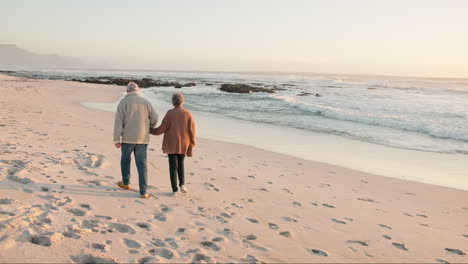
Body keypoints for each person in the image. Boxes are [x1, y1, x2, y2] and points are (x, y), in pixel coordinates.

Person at [113, 82, 158, 198]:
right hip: (142, 139)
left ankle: (126, 183)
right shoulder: (146, 102)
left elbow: (118, 122)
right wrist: (149, 126)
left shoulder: (123, 102)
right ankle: (143, 191)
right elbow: (155, 117)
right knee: (142, 165)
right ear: (138, 90)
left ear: (127, 91)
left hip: (128, 138)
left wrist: (116, 139)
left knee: (125, 161)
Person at [150, 92, 196, 196]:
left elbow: (162, 128)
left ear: (172, 102)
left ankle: (174, 190)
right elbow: (192, 130)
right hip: (184, 143)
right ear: (182, 102)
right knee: (181, 164)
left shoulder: (169, 113)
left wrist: (150, 130)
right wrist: (192, 143)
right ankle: (182, 185)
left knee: (172, 165)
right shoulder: (187, 113)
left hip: (171, 143)